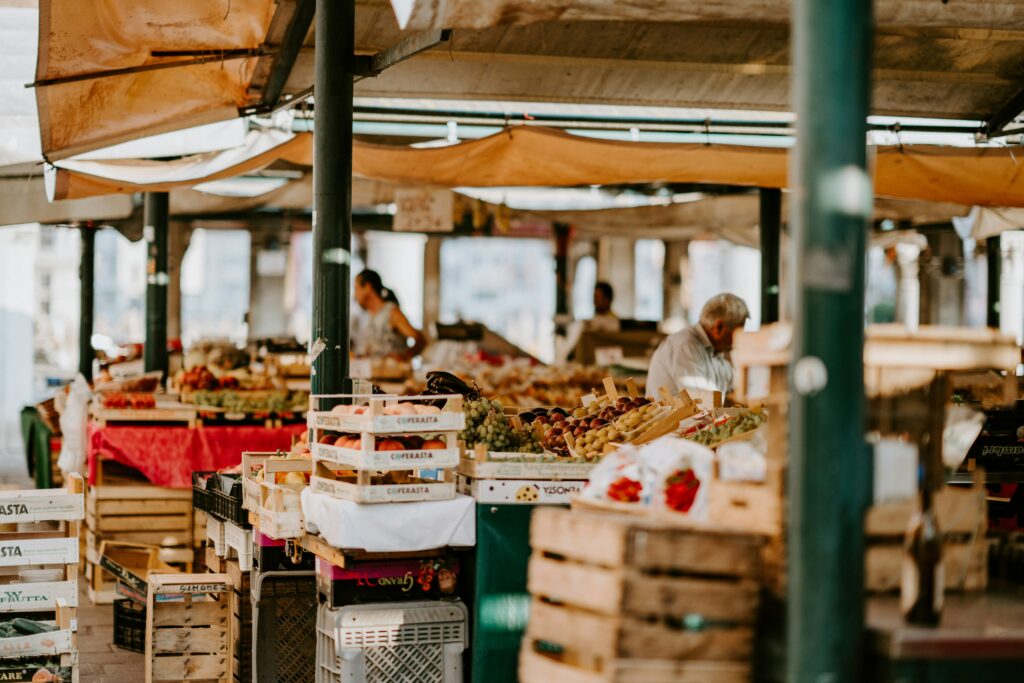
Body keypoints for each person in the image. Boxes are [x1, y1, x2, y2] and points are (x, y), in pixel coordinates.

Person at [646, 293, 750, 398]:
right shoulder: (686, 347)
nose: (737, 340)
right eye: (737, 333)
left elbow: (736, 383)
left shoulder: (714, 351)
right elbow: (702, 403)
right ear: (719, 328)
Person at [352, 270, 427, 360]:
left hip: (393, 373)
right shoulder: (368, 316)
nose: (355, 295)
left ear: (367, 287)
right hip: (376, 372)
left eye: (356, 288)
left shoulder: (391, 312)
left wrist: (404, 357)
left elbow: (421, 340)